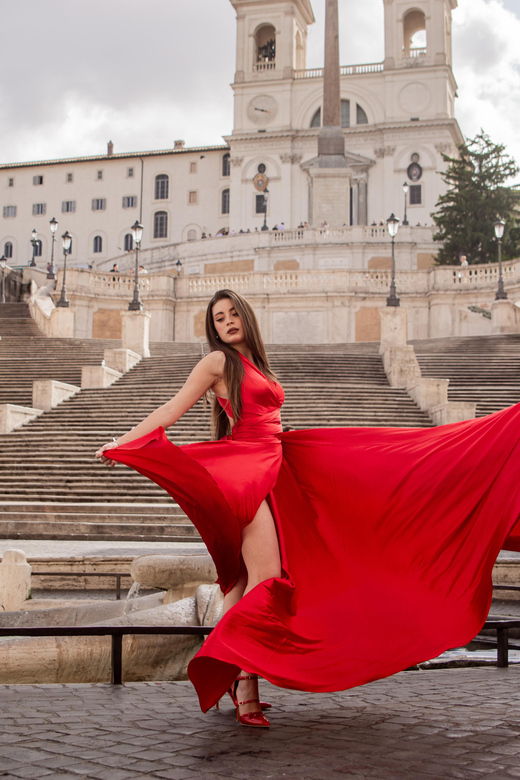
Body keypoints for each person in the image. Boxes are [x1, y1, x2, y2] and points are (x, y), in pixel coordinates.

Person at [95, 290, 520, 729]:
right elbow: (174, 407)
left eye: (233, 313)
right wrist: (125, 441)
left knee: (242, 582)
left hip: (275, 468)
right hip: (245, 475)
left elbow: (266, 422)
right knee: (267, 577)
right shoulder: (217, 363)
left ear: (246, 316)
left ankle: (227, 668)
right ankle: (245, 684)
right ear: (213, 328)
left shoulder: (256, 365)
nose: (227, 322)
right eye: (218, 318)